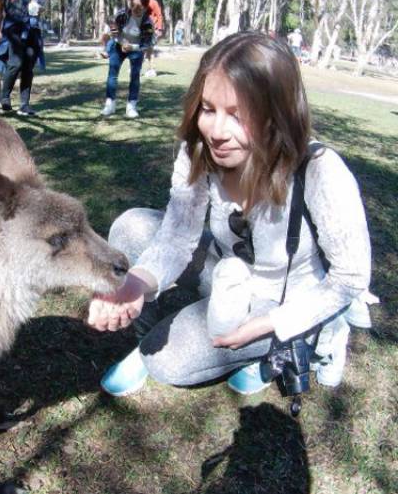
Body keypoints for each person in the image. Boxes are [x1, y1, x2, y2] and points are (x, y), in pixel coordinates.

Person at [88, 31, 376, 397]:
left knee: (168, 362)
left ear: (278, 115)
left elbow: (350, 277)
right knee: (131, 227)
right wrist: (137, 284)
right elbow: (177, 236)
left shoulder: (319, 169)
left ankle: (320, 333)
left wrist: (272, 324)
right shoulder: (198, 149)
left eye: (238, 116)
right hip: (227, 273)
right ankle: (149, 342)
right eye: (208, 109)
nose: (216, 132)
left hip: (285, 298)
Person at [101, 0, 155, 119]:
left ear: (145, 7)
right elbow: (113, 31)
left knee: (135, 77)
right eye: (133, 5)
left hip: (136, 49)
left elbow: (146, 44)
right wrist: (118, 40)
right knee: (112, 74)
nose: (135, 9)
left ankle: (131, 106)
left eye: (139, 7)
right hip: (119, 45)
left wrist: (132, 47)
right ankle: (110, 104)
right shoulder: (122, 14)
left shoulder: (148, 22)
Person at [0, 0, 46, 116]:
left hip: (32, 29)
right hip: (13, 29)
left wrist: (38, 8)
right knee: (15, 64)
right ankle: (4, 98)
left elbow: (41, 7)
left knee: (28, 67)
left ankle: (24, 105)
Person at [144, 0, 163, 77]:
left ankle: (152, 69)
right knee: (146, 50)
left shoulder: (153, 2)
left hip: (152, 28)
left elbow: (159, 15)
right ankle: (149, 69)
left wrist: (159, 28)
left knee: (150, 50)